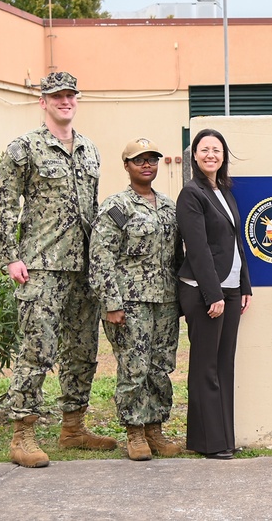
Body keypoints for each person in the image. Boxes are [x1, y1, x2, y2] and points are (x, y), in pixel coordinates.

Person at [0, 71, 117, 468]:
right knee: (36, 350)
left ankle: (73, 427)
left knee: (82, 351)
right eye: (57, 96)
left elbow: (93, 210)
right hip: (42, 267)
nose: (65, 101)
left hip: (84, 270)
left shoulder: (90, 150)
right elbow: (3, 204)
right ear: (43, 101)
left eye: (71, 95)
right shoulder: (23, 148)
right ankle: (22, 434)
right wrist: (10, 255)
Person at [89, 138, 184, 461]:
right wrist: (111, 303)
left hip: (166, 301)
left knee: (160, 366)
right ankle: (135, 432)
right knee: (134, 367)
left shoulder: (170, 206)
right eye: (139, 160)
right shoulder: (117, 207)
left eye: (152, 159)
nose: (147, 165)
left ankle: (155, 429)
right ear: (127, 166)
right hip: (130, 302)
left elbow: (178, 256)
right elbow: (101, 257)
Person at [177, 129, 253, 460]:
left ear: (224, 156)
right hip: (206, 291)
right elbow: (198, 248)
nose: (211, 154)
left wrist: (245, 286)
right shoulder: (191, 194)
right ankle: (212, 444)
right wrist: (213, 294)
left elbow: (237, 241)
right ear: (194, 156)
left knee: (224, 366)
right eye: (204, 149)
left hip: (232, 288)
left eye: (217, 149)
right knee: (206, 367)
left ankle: (222, 438)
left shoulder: (224, 191)